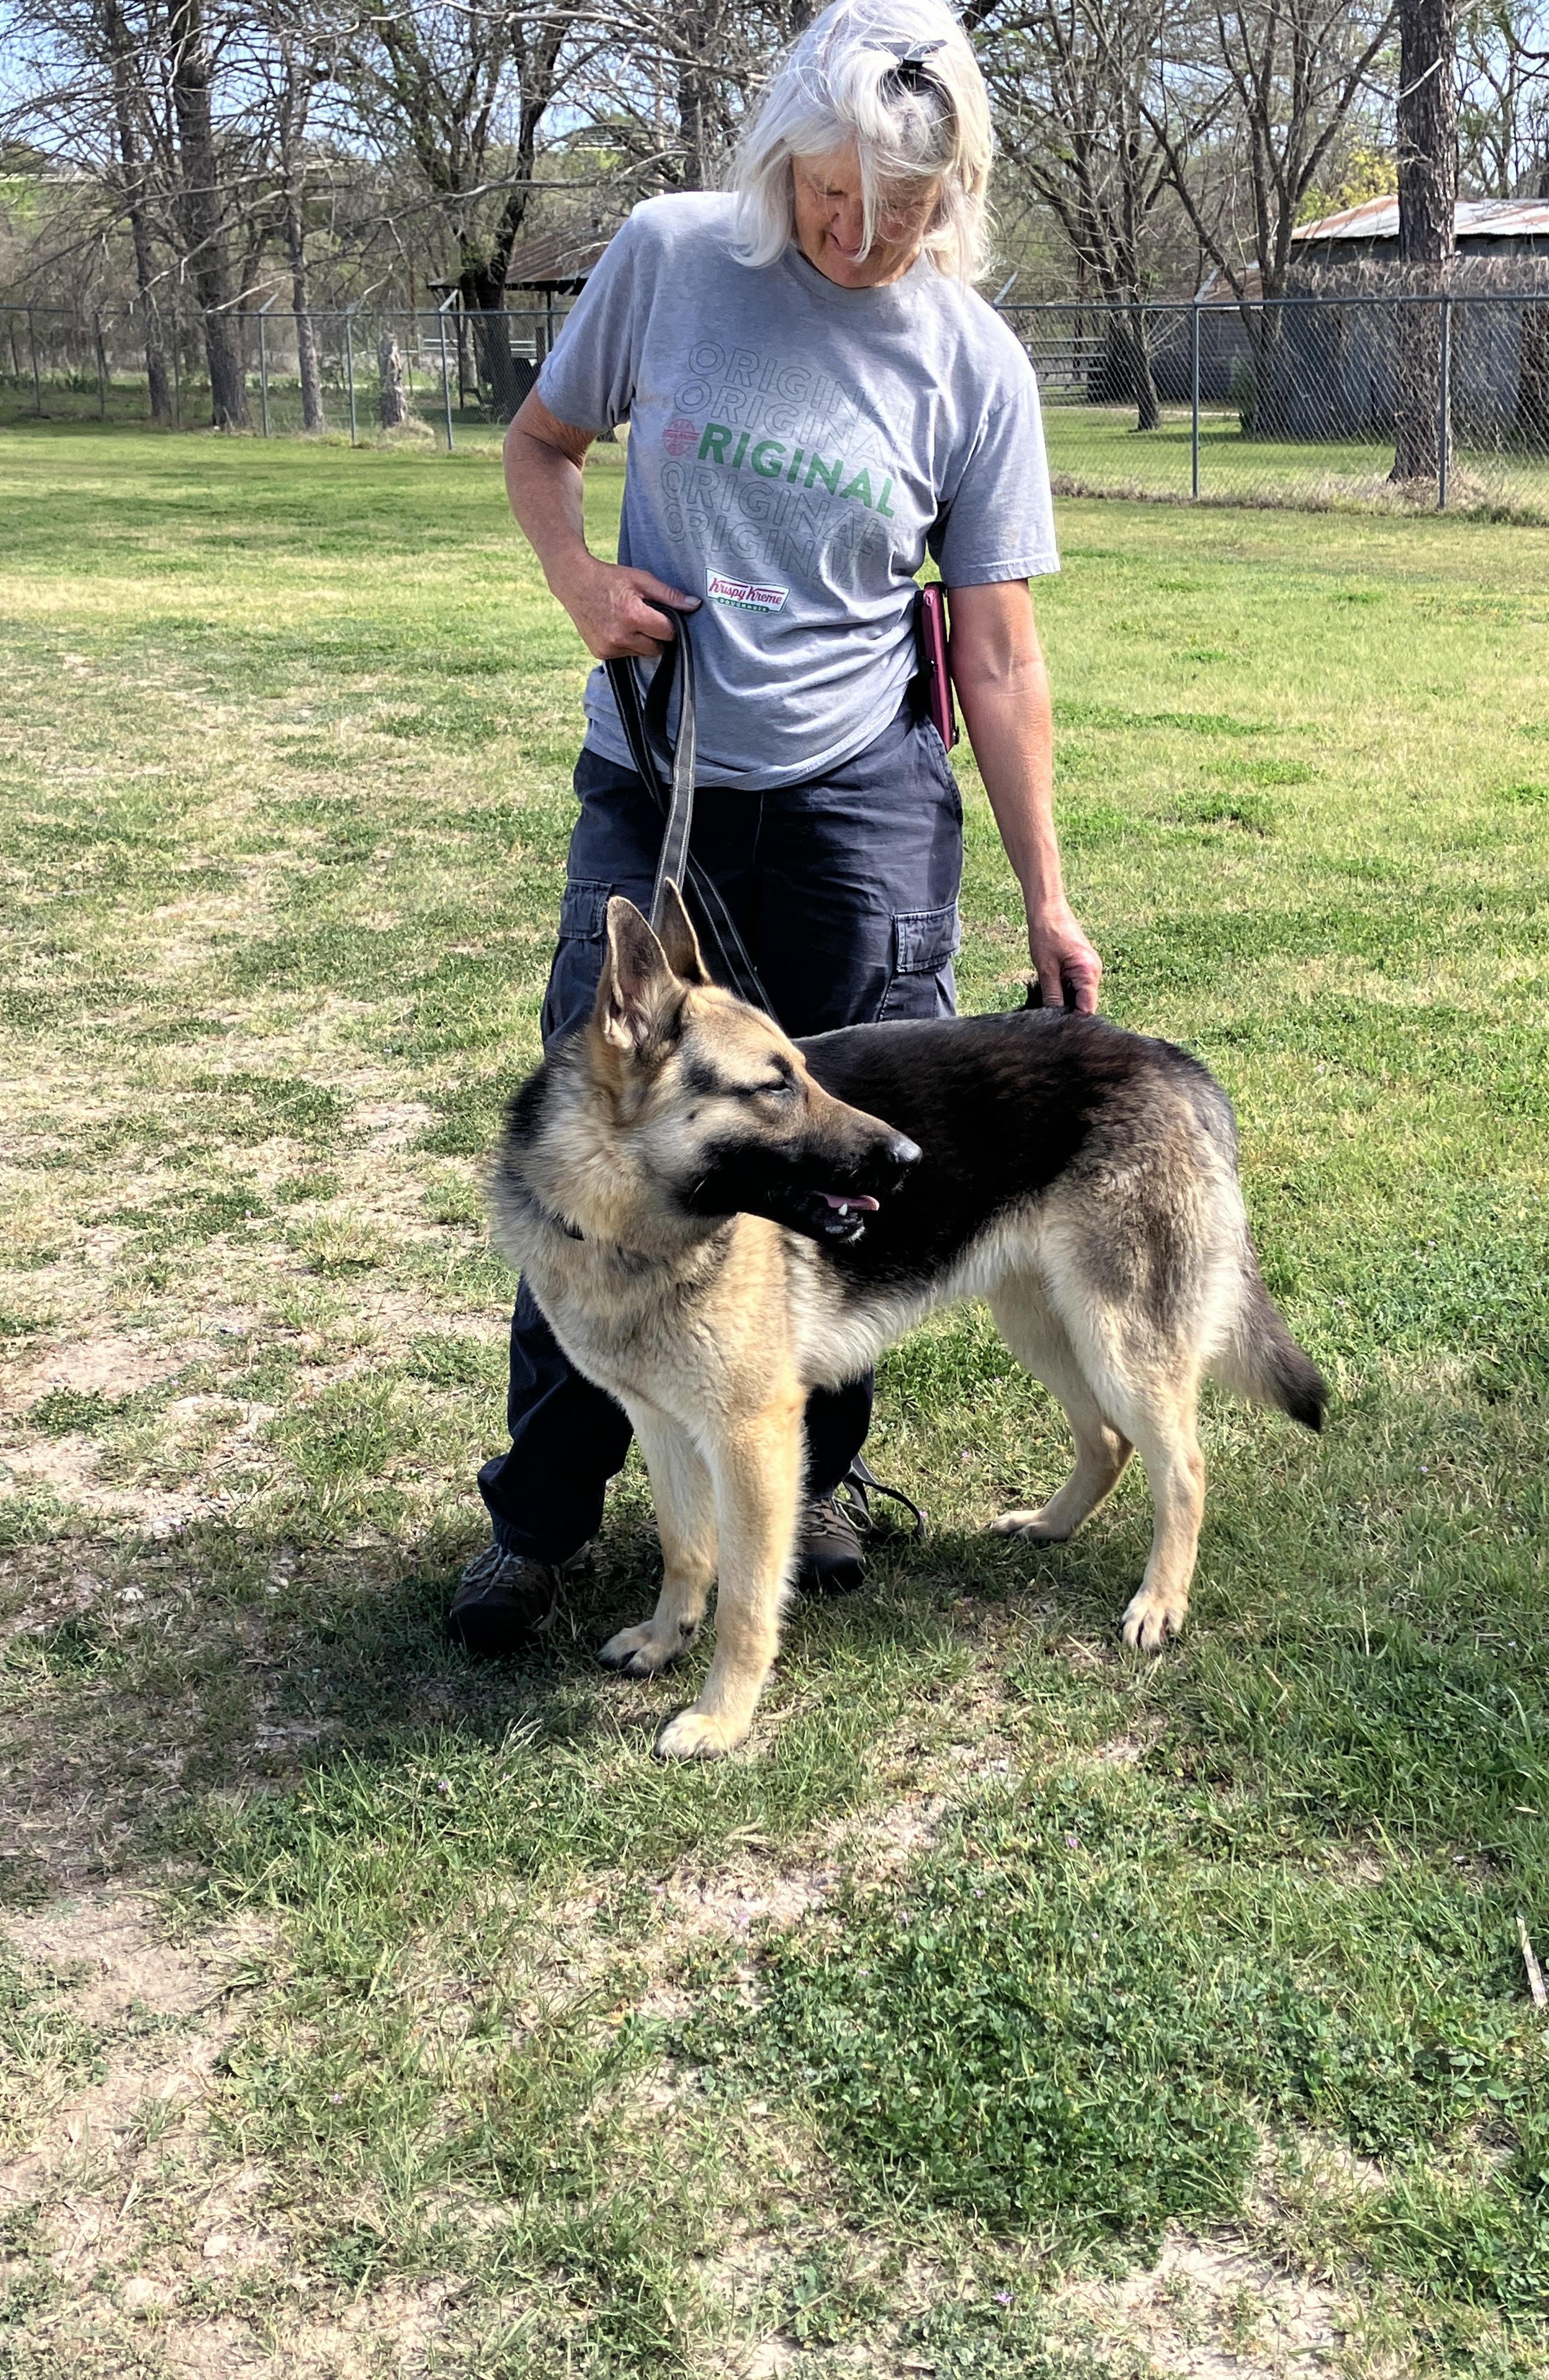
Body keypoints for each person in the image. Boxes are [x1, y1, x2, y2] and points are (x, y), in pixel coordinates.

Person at [450, 0, 1101, 1657]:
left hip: (860, 807)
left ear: (957, 192)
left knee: (840, 1156)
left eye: (910, 205)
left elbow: (1000, 651)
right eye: (839, 193)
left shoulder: (971, 362)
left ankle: (809, 1482)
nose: (867, 231)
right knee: (594, 1146)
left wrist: (1048, 894)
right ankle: (538, 1515)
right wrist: (584, 583)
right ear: (788, 152)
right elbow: (541, 447)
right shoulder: (670, 258)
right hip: (658, 789)